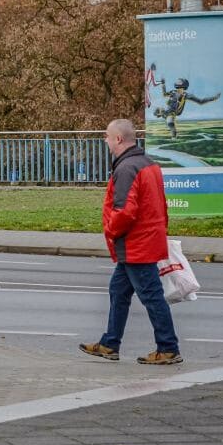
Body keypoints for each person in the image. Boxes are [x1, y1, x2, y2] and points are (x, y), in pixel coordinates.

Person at [80, 118, 182, 365]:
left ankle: (168, 348)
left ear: (118, 139)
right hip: (145, 239)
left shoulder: (126, 168)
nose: (105, 140)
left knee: (151, 296)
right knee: (118, 290)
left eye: (106, 136)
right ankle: (109, 343)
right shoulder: (148, 164)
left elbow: (125, 210)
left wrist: (111, 231)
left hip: (136, 244)